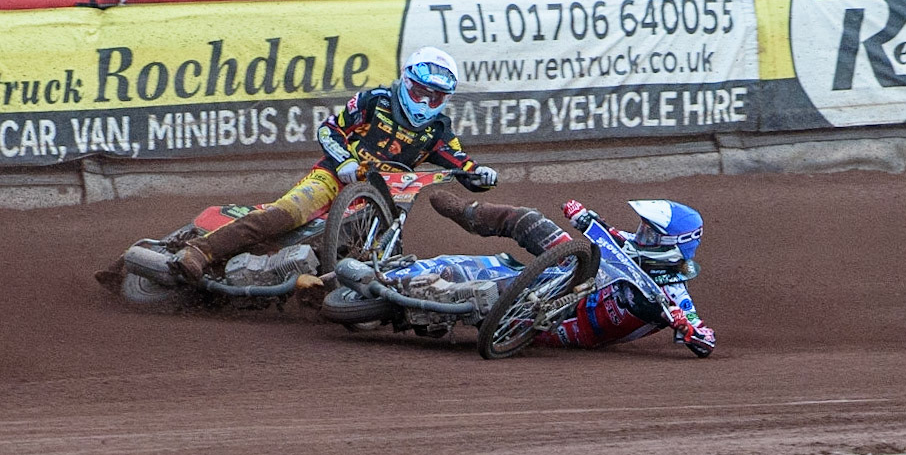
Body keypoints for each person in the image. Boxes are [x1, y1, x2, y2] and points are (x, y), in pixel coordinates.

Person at [171, 47, 498, 283]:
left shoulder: (438, 130)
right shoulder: (375, 101)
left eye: (435, 98)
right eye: (419, 93)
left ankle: (320, 286)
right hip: (333, 179)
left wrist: (480, 175)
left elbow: (462, 164)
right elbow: (329, 129)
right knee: (285, 215)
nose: (425, 103)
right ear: (406, 81)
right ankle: (200, 251)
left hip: (379, 200)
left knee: (370, 250)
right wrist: (345, 160)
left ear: (445, 99)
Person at [428, 191, 716, 357]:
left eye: (650, 234)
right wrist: (583, 217)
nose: (641, 235)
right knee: (528, 220)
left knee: (489, 293)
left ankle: (437, 306)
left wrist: (686, 327)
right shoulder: (635, 245)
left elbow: (706, 342)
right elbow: (612, 236)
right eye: (643, 229)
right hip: (578, 271)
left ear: (670, 246)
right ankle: (469, 213)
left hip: (567, 324)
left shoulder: (674, 294)